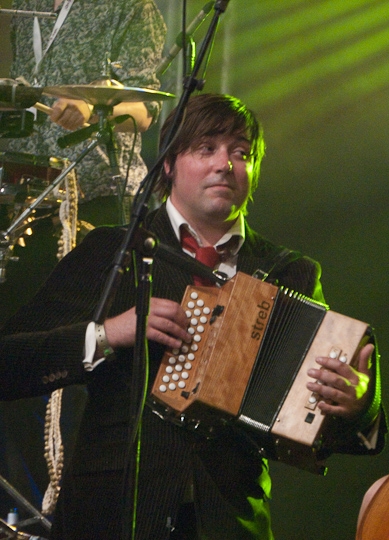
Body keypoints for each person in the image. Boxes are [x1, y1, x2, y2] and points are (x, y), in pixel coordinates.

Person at [0, 93, 386, 539]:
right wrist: (107, 334)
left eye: (242, 153)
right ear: (167, 164)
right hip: (111, 516)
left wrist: (359, 405)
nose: (226, 164)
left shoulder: (288, 272)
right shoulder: (115, 252)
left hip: (226, 520)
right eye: (207, 149)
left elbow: (313, 424)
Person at [0, 0, 167, 524]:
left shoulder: (129, 7)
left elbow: (146, 106)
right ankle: (21, 510)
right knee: (22, 351)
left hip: (97, 198)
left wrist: (94, 109)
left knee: (82, 363)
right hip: (30, 197)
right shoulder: (24, 5)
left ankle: (73, 510)